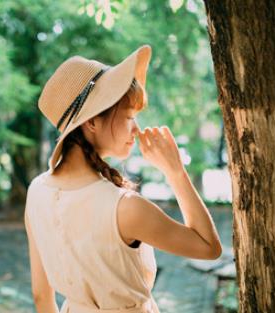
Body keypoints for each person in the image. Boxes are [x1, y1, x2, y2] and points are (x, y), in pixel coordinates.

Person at [24, 45, 222, 313]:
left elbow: (41, 297)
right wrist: (175, 171)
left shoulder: (36, 191)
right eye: (129, 117)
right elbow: (209, 247)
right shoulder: (125, 207)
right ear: (91, 122)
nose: (136, 128)